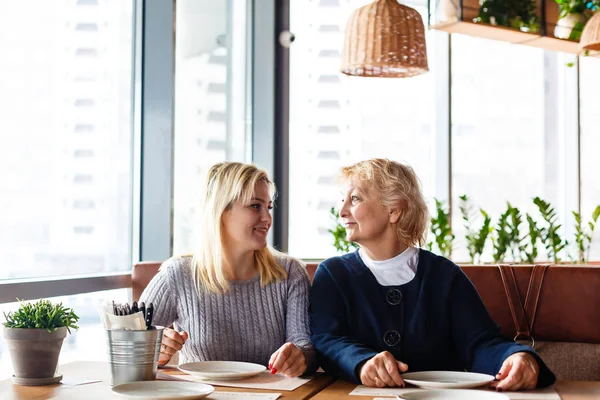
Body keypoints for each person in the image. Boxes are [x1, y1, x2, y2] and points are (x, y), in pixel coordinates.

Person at [309, 158, 556, 391]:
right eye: (343, 199)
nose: (341, 211)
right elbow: (326, 340)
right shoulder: (333, 274)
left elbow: (480, 343)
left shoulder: (444, 275)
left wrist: (517, 357)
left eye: (354, 199)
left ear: (394, 211)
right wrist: (362, 362)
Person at [140, 162, 316, 378]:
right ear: (221, 211)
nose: (267, 218)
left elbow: (305, 346)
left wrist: (300, 357)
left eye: (268, 207)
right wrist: (156, 351)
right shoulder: (178, 274)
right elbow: (128, 343)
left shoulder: (289, 273)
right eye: (255, 206)